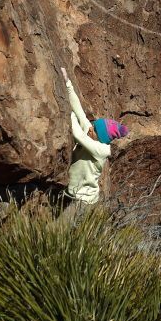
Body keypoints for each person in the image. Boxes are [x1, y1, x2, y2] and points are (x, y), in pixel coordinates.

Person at [59, 67, 128, 222]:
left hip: (83, 202)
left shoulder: (101, 149)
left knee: (57, 233)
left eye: (94, 128)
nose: (90, 127)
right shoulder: (91, 132)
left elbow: (77, 134)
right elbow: (80, 112)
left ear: (101, 138)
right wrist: (67, 83)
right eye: (93, 124)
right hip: (71, 194)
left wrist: (67, 113)